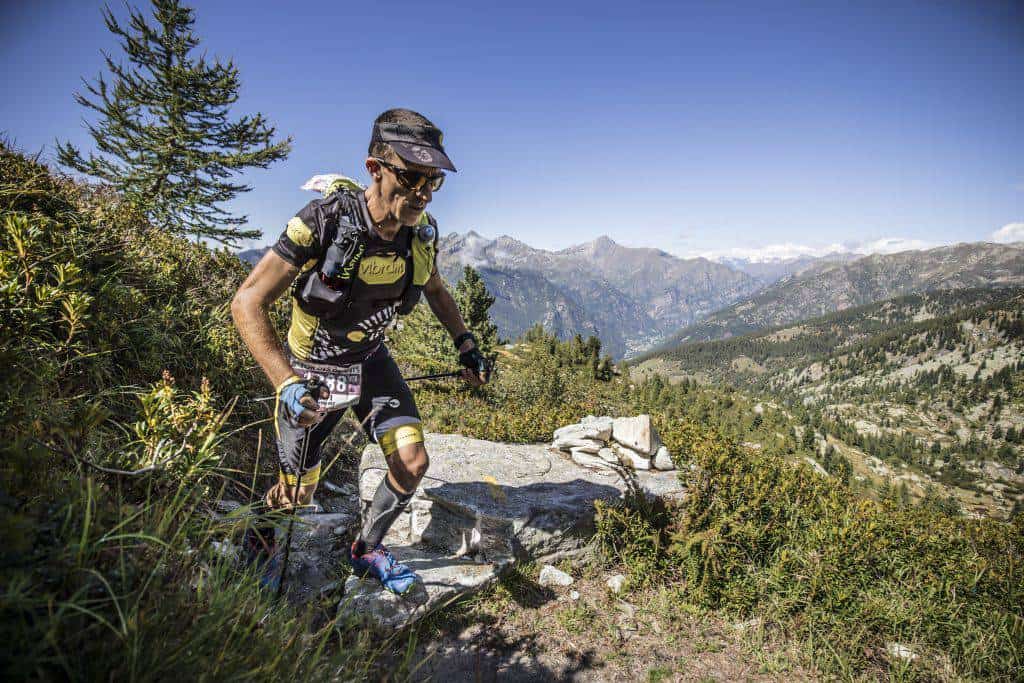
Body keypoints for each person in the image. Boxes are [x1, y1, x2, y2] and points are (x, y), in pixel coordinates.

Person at [231, 108, 490, 594]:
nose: (423, 193)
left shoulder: (420, 234)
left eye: (433, 180)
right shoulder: (321, 224)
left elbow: (434, 290)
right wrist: (285, 381)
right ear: (375, 168)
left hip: (370, 362)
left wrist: (466, 344)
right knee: (296, 493)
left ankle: (366, 548)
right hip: (310, 372)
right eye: (411, 177)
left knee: (412, 462)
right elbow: (247, 302)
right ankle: (259, 542)